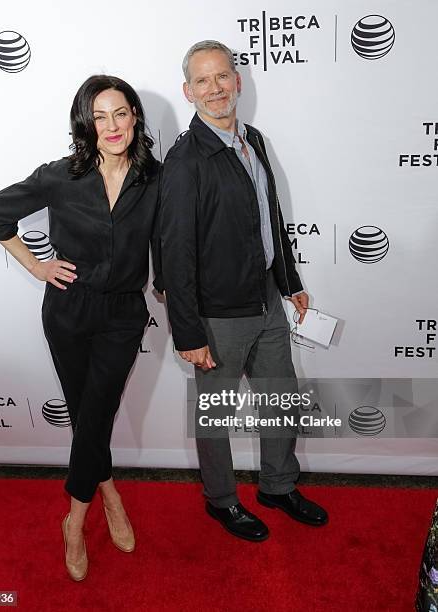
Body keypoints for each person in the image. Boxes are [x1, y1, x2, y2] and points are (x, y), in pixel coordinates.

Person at [0, 75, 162, 579]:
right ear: (86, 123)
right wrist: (37, 266)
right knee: (87, 418)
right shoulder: (61, 176)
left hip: (123, 315)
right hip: (67, 311)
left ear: (135, 117)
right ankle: (109, 492)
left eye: (120, 113)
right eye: (99, 116)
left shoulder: (156, 179)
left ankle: (75, 521)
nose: (111, 125)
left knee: (96, 412)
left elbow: (167, 246)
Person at [160, 40, 328, 542]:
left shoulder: (252, 138)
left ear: (238, 81)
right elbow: (175, 255)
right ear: (189, 92)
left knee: (282, 400)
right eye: (203, 81)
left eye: (223, 77)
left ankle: (278, 486)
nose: (216, 89)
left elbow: (269, 219)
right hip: (217, 318)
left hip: (268, 303)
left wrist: (290, 282)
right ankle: (221, 500)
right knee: (216, 415)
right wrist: (188, 331)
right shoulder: (185, 160)